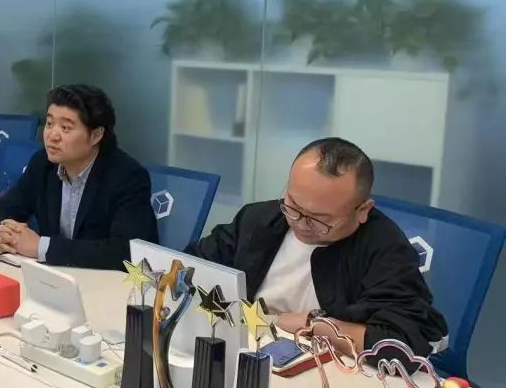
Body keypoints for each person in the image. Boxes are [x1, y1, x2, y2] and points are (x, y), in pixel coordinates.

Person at [186, 137, 448, 356]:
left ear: (363, 210)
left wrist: (313, 324)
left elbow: (405, 341)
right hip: (248, 352)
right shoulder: (258, 219)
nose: (301, 223)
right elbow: (191, 272)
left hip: (329, 369)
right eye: (293, 205)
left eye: (320, 219)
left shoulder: (384, 247)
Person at [0, 84, 158, 270]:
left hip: (105, 281)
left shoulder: (127, 176)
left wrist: (41, 247)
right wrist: (6, 234)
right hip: (55, 276)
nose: (52, 136)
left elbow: (125, 251)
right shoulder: (43, 163)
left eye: (66, 128)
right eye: (49, 124)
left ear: (96, 135)